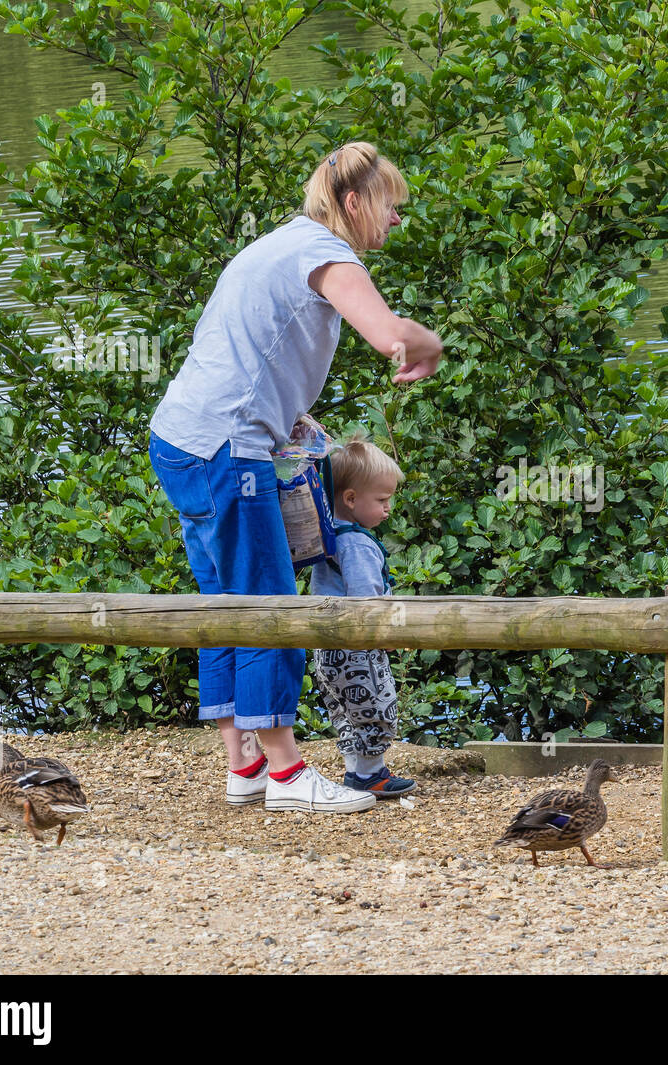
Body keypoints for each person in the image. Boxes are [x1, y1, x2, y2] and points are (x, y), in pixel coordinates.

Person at [146, 141, 442, 814]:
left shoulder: (276, 247)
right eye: (392, 205)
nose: (397, 219)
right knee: (269, 601)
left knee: (225, 602)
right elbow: (390, 336)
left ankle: (243, 762)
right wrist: (429, 343)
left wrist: (293, 419)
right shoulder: (326, 254)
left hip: (180, 439)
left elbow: (245, 349)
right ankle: (285, 773)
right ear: (353, 202)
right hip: (228, 448)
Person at [310, 433, 414, 797]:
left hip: (326, 649)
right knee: (376, 706)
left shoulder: (330, 534)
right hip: (357, 646)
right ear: (351, 499)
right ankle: (371, 774)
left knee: (346, 712)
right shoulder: (356, 542)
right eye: (382, 499)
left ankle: (357, 772)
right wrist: (386, 634)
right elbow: (365, 600)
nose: (388, 508)